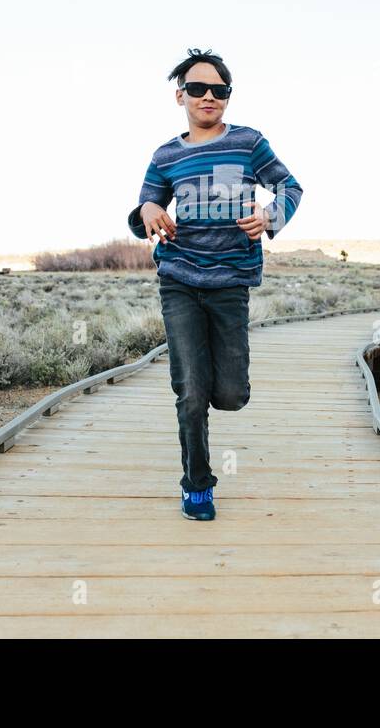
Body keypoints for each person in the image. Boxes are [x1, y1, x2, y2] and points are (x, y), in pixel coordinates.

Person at [126, 47, 303, 520]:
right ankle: (197, 484)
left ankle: (210, 398)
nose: (209, 97)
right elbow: (144, 207)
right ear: (180, 95)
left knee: (229, 395)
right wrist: (146, 210)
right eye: (199, 89)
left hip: (230, 283)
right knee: (191, 390)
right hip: (180, 278)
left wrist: (269, 216)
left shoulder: (248, 143)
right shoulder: (166, 156)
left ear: (228, 96)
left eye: (219, 90)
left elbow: (290, 187)